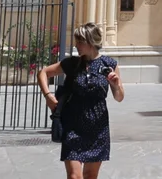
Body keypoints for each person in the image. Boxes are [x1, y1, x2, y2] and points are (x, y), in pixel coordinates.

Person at [38, 23, 123, 177]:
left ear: (91, 42)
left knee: (90, 175)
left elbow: (119, 97)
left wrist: (115, 85)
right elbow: (43, 73)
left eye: (80, 42)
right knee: (74, 176)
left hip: (98, 128)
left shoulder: (109, 64)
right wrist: (47, 95)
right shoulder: (72, 63)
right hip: (73, 126)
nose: (76, 45)